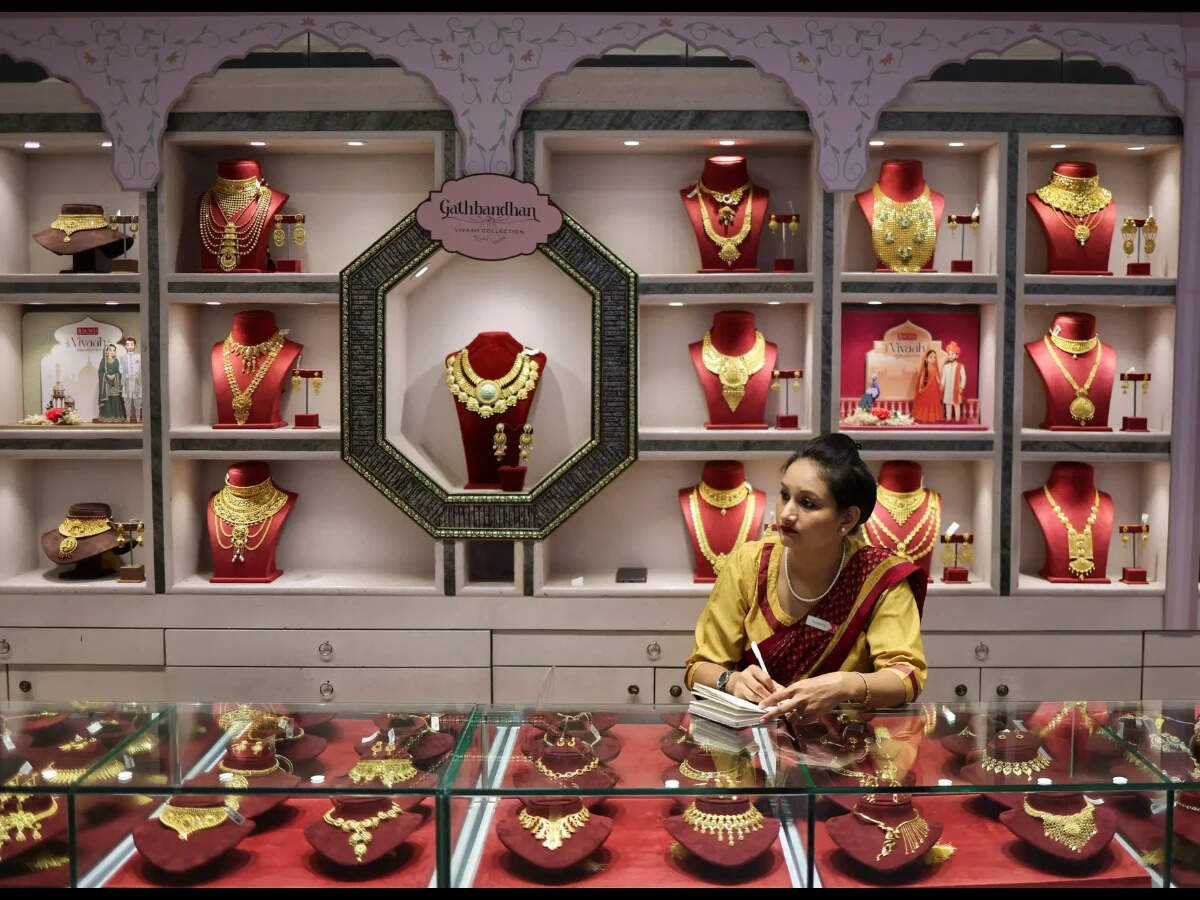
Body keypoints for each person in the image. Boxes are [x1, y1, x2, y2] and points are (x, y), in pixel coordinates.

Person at [683, 433, 927, 720]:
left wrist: (845, 684)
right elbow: (698, 668)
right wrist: (732, 681)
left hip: (847, 750)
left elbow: (907, 676)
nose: (786, 514)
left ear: (847, 519)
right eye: (785, 495)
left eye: (807, 503)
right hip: (756, 742)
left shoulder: (878, 577)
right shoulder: (750, 563)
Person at [911, 348, 942, 423]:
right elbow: (922, 377)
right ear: (926, 358)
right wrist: (920, 387)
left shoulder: (935, 367)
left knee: (933, 401)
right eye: (931, 357)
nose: (933, 359)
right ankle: (924, 417)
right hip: (926, 388)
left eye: (934, 357)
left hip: (934, 388)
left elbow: (937, 377)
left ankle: (932, 417)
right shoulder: (925, 367)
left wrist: (940, 385)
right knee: (925, 401)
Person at [97, 343, 127, 421]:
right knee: (107, 400)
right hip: (106, 383)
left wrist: (115, 375)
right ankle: (107, 417)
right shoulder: (103, 361)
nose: (112, 352)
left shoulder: (116, 361)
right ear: (106, 352)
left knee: (115, 399)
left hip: (115, 383)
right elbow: (100, 372)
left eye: (114, 350)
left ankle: (116, 416)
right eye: (110, 350)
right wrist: (105, 375)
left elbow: (119, 372)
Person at [941, 340, 967, 422]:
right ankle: (948, 418)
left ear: (957, 355)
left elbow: (964, 377)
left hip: (956, 388)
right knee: (948, 404)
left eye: (952, 354)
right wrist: (942, 385)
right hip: (948, 389)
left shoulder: (960, 366)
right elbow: (943, 377)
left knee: (956, 404)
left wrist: (962, 387)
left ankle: (957, 419)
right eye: (949, 354)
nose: (951, 356)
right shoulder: (946, 366)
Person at [121, 335, 142, 423]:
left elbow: (141, 369)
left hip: (137, 382)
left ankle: (138, 417)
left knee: (137, 402)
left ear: (135, 345)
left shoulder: (139, 356)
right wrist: (126, 376)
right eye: (128, 344)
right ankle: (128, 417)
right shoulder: (122, 357)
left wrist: (137, 376)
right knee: (127, 402)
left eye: (132, 344)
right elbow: (120, 369)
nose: (130, 346)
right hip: (127, 382)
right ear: (125, 346)